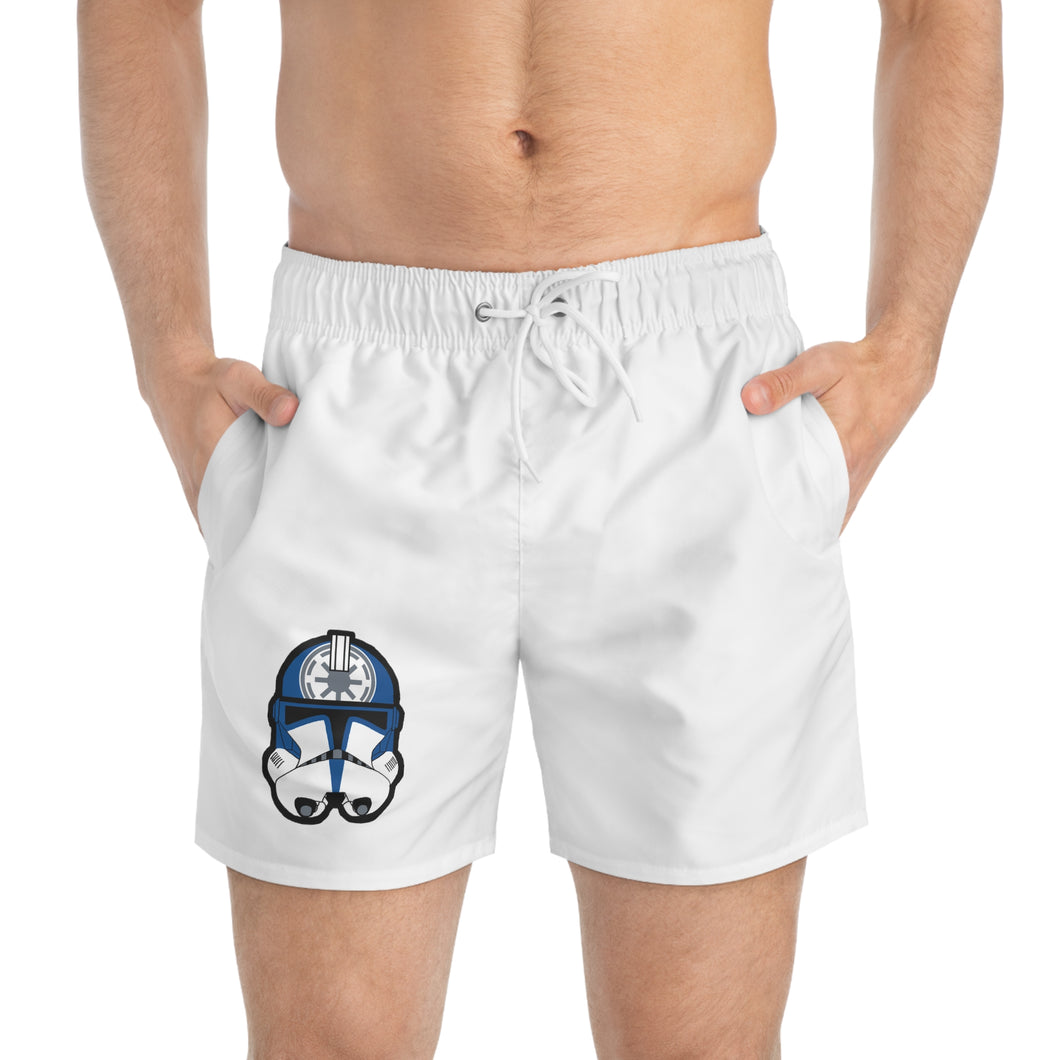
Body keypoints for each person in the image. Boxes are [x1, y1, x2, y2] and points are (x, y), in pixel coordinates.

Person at [77, 0, 1002, 1056]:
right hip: (359, 388)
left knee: (698, 1043)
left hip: (693, 389)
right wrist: (167, 354)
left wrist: (909, 340)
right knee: (331, 1040)